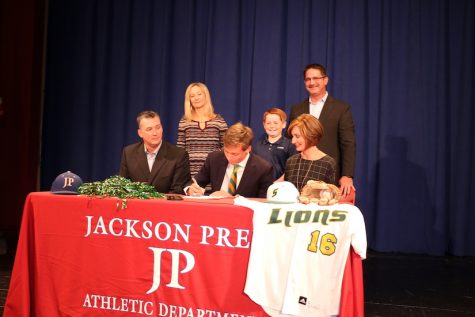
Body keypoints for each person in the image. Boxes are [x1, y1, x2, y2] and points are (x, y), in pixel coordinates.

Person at [289, 63, 356, 196]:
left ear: (325, 80)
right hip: (301, 174)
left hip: (329, 175)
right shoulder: (297, 109)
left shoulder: (341, 109)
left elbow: (348, 143)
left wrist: (347, 175)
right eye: (308, 79)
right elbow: (292, 141)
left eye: (316, 78)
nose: (312, 82)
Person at [186, 122, 274, 198]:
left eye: (235, 154)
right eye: (226, 151)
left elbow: (263, 202)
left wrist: (231, 199)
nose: (229, 157)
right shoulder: (214, 159)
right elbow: (195, 182)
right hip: (215, 211)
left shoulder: (263, 168)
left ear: (248, 149)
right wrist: (190, 189)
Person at [119, 110, 191, 194]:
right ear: (140, 133)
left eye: (158, 127)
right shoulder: (129, 153)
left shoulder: (179, 155)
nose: (155, 133)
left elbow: (177, 191)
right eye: (149, 129)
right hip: (137, 205)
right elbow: (123, 186)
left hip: (165, 206)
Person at [177, 82, 228, 177]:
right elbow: (180, 151)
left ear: (206, 95)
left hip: (214, 173)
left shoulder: (219, 121)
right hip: (190, 175)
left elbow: (226, 147)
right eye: (192, 96)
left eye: (199, 94)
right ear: (189, 100)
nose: (196, 98)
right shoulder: (184, 122)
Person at [284, 114, 337, 192]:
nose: (293, 141)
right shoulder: (291, 161)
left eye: (297, 136)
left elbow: (328, 196)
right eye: (292, 136)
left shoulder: (328, 163)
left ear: (311, 135)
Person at [252, 107, 296, 180]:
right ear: (264, 125)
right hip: (261, 187)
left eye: (276, 123)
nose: (272, 126)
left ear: (284, 124)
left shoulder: (290, 145)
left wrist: (276, 184)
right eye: (268, 123)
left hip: (281, 187)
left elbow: (292, 170)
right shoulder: (257, 145)